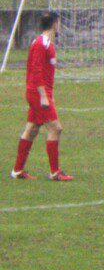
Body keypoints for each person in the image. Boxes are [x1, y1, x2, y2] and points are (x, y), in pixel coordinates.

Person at [10, 12, 73, 181]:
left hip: (38, 93)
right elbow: (36, 71)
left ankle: (17, 171)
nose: (59, 26)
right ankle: (55, 172)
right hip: (38, 94)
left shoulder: (45, 43)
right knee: (55, 128)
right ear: (54, 24)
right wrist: (44, 96)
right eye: (58, 23)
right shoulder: (41, 43)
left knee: (32, 129)